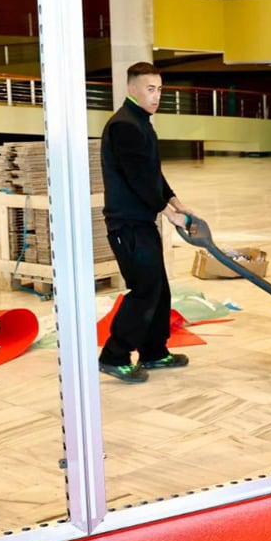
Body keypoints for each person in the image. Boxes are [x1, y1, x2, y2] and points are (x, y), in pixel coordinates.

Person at [98, 62, 195, 383]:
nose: (157, 96)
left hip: (141, 222)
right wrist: (168, 213)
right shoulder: (124, 125)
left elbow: (153, 174)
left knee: (160, 289)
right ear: (132, 89)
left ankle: (154, 352)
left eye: (160, 89)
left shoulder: (141, 123)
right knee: (144, 289)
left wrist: (178, 202)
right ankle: (115, 355)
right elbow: (138, 179)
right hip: (126, 225)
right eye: (150, 89)